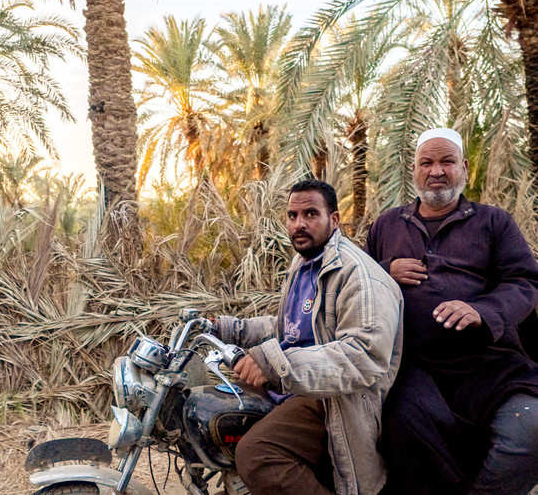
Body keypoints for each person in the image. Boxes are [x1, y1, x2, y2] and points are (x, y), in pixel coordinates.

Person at [365, 128, 538, 494]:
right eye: (426, 162)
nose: (436, 171)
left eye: (446, 161)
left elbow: (525, 282)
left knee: (531, 427)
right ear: (414, 170)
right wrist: (385, 270)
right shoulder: (387, 224)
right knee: (404, 436)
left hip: (490, 364)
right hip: (412, 368)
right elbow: (355, 285)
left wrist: (482, 310)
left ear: (464, 167)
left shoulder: (493, 222)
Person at [214, 179, 403, 495]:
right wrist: (231, 328)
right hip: (296, 384)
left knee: (256, 454)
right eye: (292, 215)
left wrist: (274, 364)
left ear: (335, 219)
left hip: (331, 397)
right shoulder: (304, 262)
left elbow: (364, 356)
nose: (299, 224)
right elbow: (289, 327)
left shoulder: (358, 274)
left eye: (311, 214)